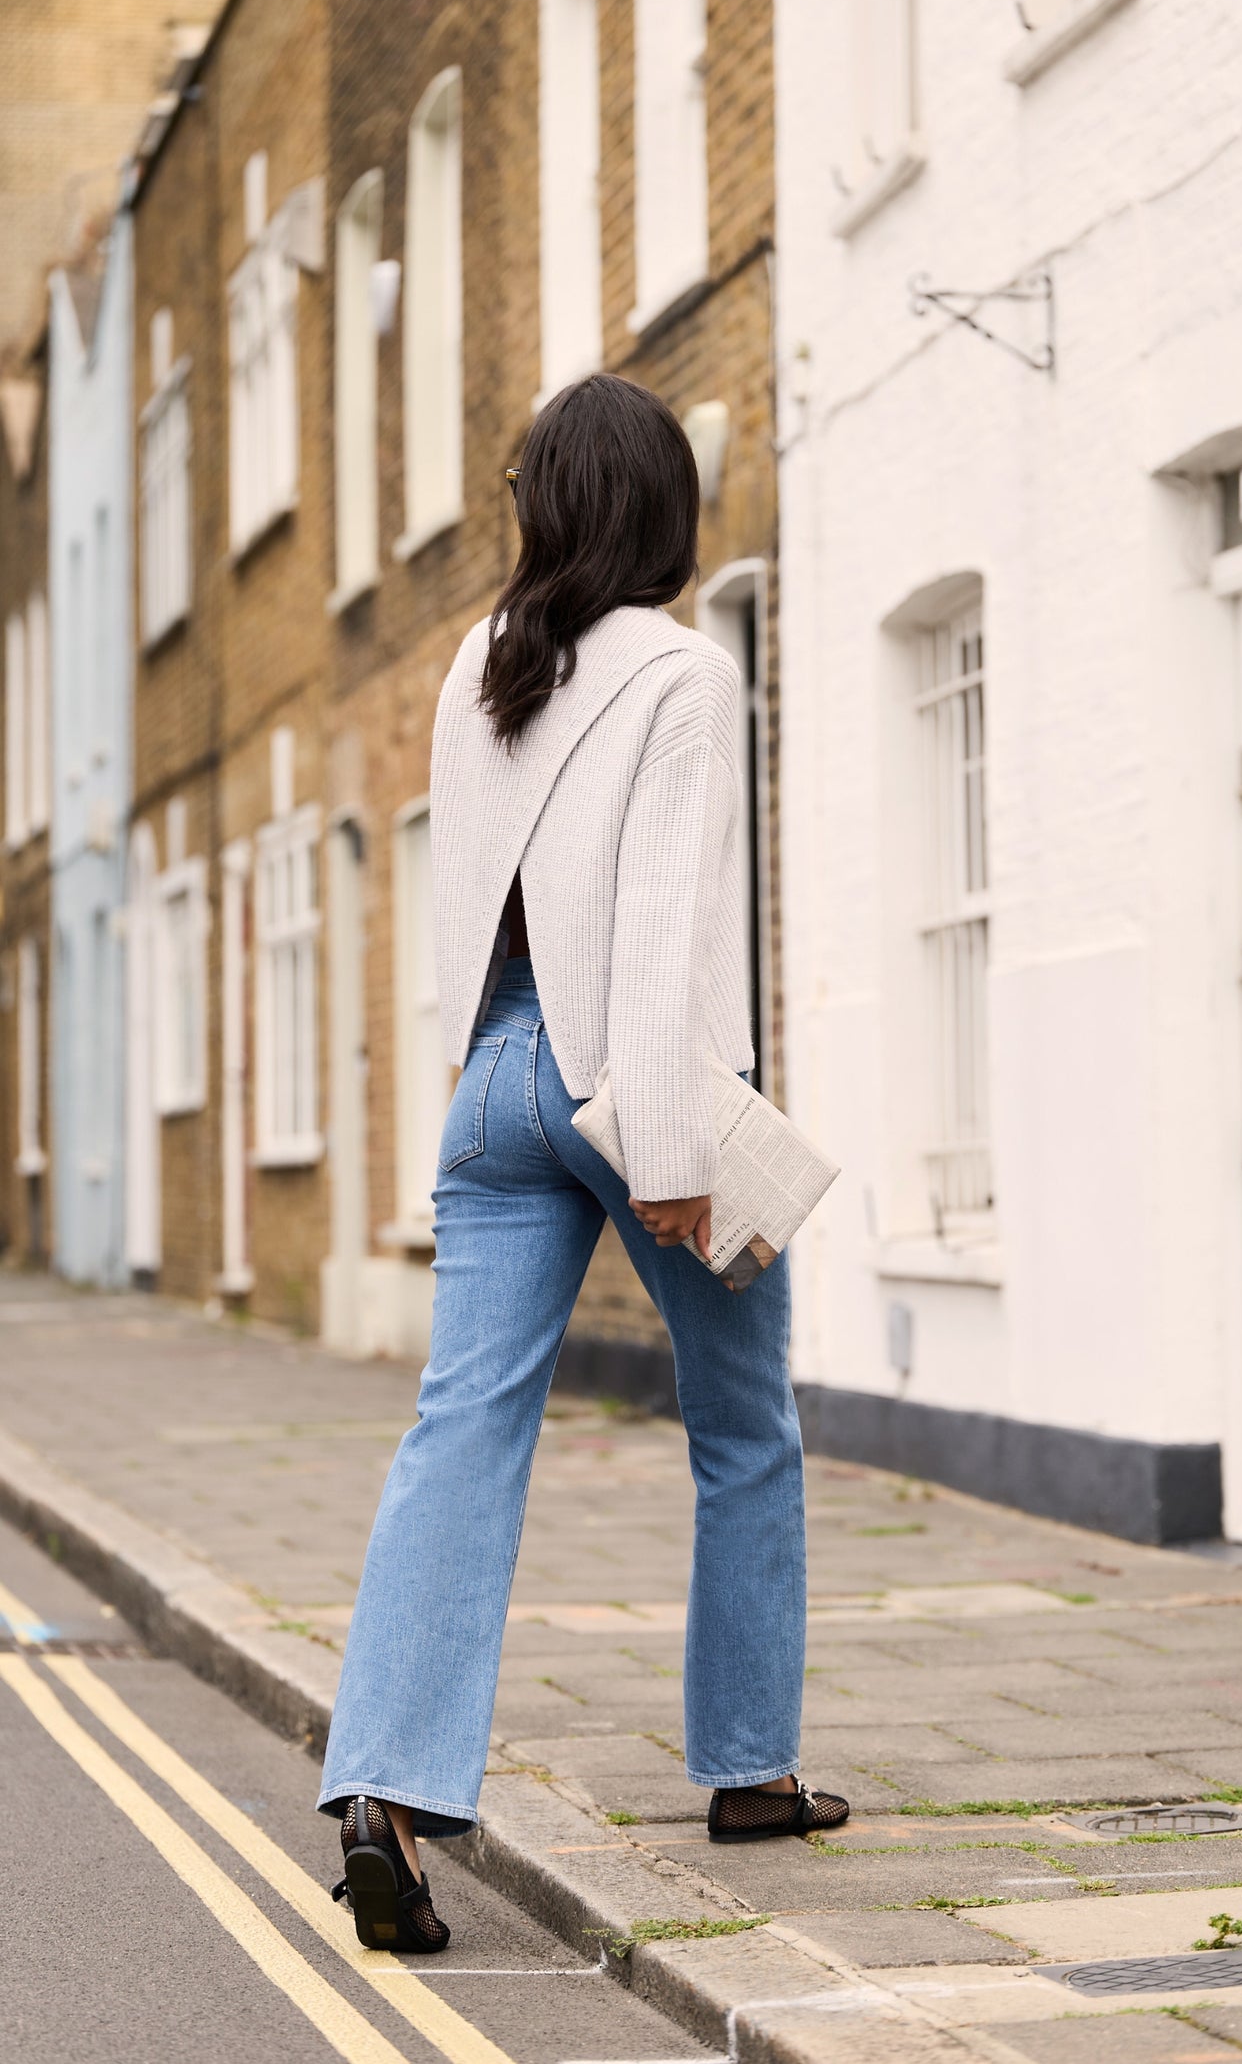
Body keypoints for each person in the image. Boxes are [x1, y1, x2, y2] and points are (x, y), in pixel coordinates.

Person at [319, 374, 847, 1954]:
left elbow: (474, 908)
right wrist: (673, 1146)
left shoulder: (481, 662)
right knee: (742, 1428)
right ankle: (749, 1770)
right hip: (632, 1086)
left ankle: (387, 1792)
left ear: (545, 505)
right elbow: (664, 926)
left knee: (460, 1432)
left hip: (492, 1084)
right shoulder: (682, 673)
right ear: (662, 508)